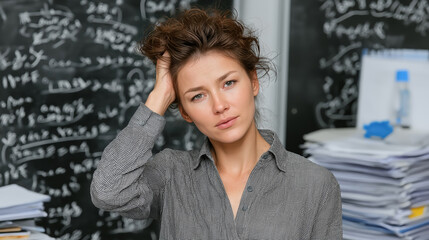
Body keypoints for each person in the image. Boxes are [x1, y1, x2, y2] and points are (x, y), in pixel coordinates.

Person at [91, 8, 342, 239]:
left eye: (228, 83)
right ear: (186, 113)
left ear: (253, 82)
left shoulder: (316, 184)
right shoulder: (170, 173)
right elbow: (108, 192)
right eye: (197, 96)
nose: (219, 105)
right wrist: (159, 96)